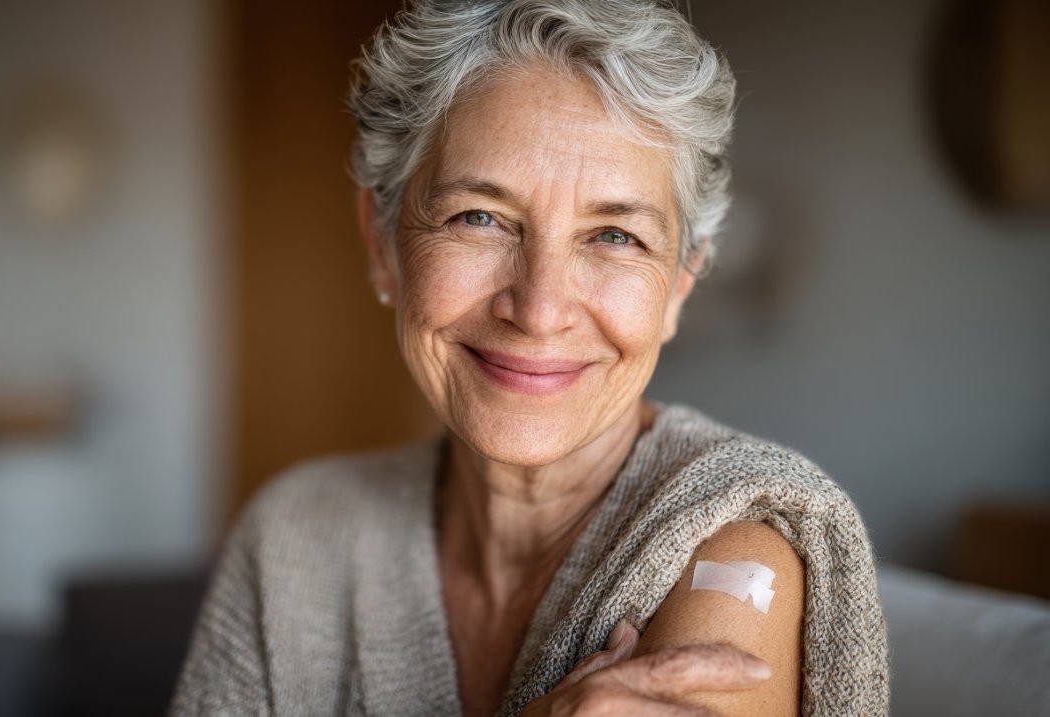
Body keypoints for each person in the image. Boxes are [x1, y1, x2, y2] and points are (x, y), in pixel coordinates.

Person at [170, 1, 888, 715]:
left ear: (679, 284)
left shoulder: (733, 550)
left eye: (614, 235)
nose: (540, 308)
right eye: (478, 218)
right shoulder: (295, 534)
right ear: (383, 243)